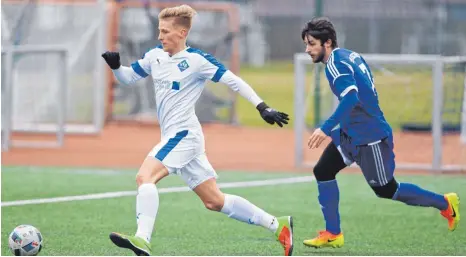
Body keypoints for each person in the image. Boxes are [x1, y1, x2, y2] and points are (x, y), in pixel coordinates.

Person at [101, 4, 293, 256]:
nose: (160, 36)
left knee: (144, 177)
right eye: (159, 30)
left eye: (166, 31)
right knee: (214, 200)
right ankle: (277, 225)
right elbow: (128, 78)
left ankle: (142, 239)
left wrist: (262, 107)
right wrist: (116, 67)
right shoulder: (154, 56)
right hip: (180, 138)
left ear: (182, 33)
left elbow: (234, 81)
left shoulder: (197, 61)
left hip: (184, 135)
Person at [300, 17, 460, 248]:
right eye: (306, 44)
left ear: (327, 42)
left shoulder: (335, 65)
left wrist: (325, 128)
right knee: (323, 170)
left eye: (312, 43)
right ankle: (333, 233)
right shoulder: (349, 55)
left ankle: (444, 203)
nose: (307, 49)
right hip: (351, 134)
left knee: (386, 189)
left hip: (370, 137)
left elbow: (351, 97)